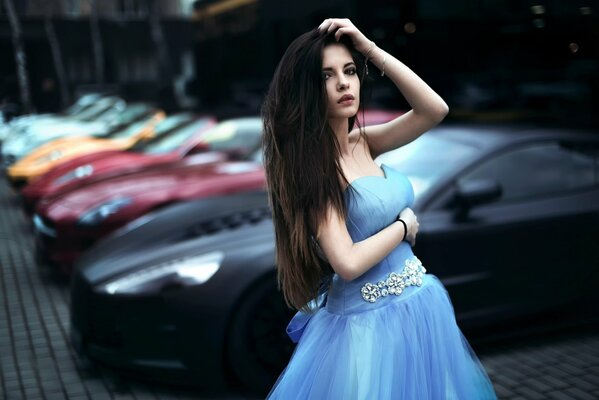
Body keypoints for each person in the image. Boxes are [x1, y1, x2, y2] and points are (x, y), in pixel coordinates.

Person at [261, 18, 497, 399]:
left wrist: (370, 48)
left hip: (419, 307)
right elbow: (348, 263)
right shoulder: (314, 169)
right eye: (326, 76)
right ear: (306, 89)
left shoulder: (364, 142)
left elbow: (433, 109)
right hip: (366, 329)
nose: (343, 83)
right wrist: (403, 226)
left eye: (350, 71)